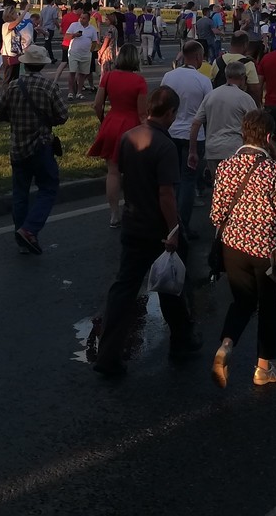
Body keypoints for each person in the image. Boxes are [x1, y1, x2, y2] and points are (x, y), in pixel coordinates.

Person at [93, 86, 199, 377]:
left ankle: (108, 354)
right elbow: (166, 194)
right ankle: (182, 340)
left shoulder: (129, 137)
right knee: (174, 283)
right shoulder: (165, 146)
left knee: (123, 289)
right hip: (157, 227)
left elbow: (122, 173)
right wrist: (174, 229)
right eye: (174, 113)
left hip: (132, 222)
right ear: (169, 113)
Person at [210, 108, 276, 388]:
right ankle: (263, 369)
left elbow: (216, 214)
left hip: (232, 247)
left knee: (242, 301)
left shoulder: (225, 166)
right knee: (269, 307)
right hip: (265, 250)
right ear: (270, 136)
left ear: (243, 133)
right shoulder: (273, 169)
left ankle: (226, 344)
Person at [0, 45, 69, 254]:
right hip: (42, 145)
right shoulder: (49, 86)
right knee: (48, 187)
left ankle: (21, 238)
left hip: (18, 146)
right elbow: (62, 115)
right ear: (43, 65)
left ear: (25, 65)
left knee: (20, 193)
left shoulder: (13, 86)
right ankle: (30, 229)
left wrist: (15, 118)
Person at [88, 42, 150, 227]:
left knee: (113, 172)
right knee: (133, 173)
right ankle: (132, 209)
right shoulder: (139, 82)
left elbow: (97, 104)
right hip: (132, 126)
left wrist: (104, 120)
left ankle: (114, 214)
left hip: (112, 122)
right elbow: (142, 113)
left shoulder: (108, 76)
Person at [161, 42, 213, 235]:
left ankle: (170, 223)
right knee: (188, 180)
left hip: (171, 132)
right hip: (194, 136)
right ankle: (183, 225)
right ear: (199, 57)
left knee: (171, 180)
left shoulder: (169, 76)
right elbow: (208, 110)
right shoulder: (203, 80)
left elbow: (162, 100)